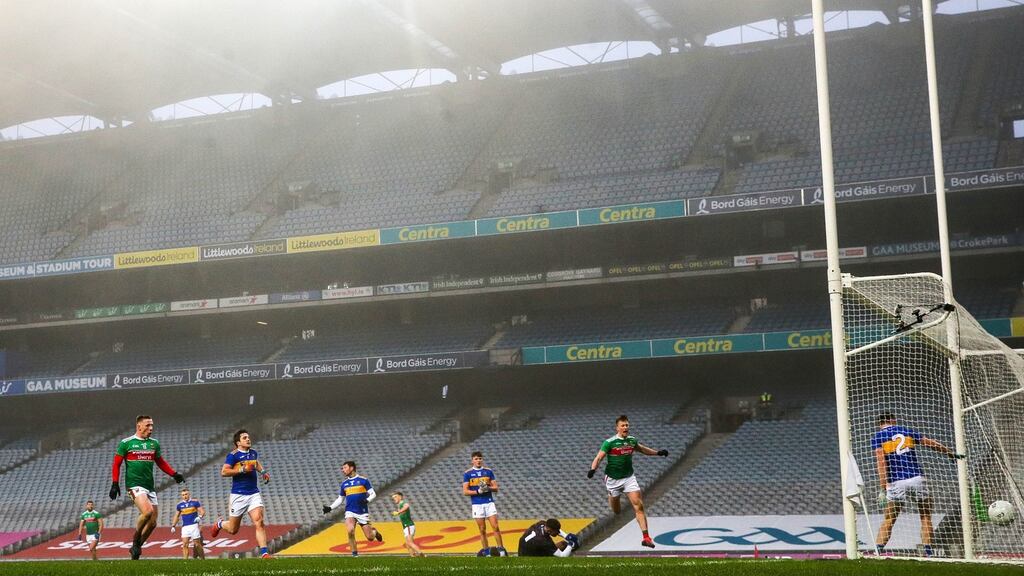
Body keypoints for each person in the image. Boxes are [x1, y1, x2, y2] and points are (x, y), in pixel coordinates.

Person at [872, 413, 963, 556]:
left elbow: (881, 462)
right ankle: (929, 552)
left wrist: (883, 487)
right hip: (916, 479)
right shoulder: (906, 431)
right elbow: (931, 443)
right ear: (892, 420)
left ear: (880, 423)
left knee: (889, 519)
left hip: (896, 482)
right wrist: (950, 453)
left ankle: (877, 551)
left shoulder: (878, 437)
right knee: (925, 517)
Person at [110, 415, 185, 560]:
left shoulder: (154, 444)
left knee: (152, 523)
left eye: (152, 426)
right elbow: (116, 464)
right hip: (134, 485)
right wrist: (115, 483)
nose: (150, 428)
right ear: (139, 426)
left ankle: (136, 548)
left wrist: (173, 474)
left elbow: (160, 462)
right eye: (147, 425)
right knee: (148, 511)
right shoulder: (126, 443)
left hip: (149, 487)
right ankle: (135, 541)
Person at [587, 414, 668, 549]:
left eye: (627, 425)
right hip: (613, 480)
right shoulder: (609, 442)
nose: (626, 427)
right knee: (617, 510)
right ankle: (611, 495)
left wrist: (658, 453)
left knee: (639, 506)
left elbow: (642, 449)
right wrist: (593, 470)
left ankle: (646, 538)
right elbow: (599, 457)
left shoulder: (632, 441)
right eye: (623, 425)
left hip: (629, 478)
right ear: (617, 428)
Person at [209, 429, 272, 558]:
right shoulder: (233, 455)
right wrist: (242, 469)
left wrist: (263, 472)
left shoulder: (253, 453)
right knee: (233, 530)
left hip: (253, 494)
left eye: (248, 437)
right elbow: (224, 472)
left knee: (259, 521)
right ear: (238, 443)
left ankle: (264, 553)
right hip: (238, 495)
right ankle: (220, 524)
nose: (248, 439)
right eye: (244, 438)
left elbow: (256, 463)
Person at [322, 460, 382, 557]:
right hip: (350, 511)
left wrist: (367, 500)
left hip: (362, 512)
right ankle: (354, 555)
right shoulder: (344, 484)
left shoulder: (363, 480)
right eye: (342, 468)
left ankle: (374, 532)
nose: (343, 470)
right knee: (350, 531)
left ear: (352, 468)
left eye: (345, 468)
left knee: (370, 537)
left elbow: (373, 494)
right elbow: (340, 499)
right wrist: (330, 508)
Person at [462, 451, 504, 555]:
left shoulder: (488, 472)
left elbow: (496, 488)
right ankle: (486, 551)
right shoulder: (468, 474)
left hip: (489, 503)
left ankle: (501, 549)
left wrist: (487, 488)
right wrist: (478, 491)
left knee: (495, 527)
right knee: (482, 529)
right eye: (476, 459)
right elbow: (465, 491)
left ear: (482, 460)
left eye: (480, 458)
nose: (478, 460)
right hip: (477, 504)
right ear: (472, 461)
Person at [170, 488, 206, 560]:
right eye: (183, 495)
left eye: (186, 494)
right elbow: (176, 516)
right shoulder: (179, 505)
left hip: (194, 525)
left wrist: (200, 517)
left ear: (189, 494)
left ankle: (203, 559)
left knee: (197, 544)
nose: (185, 496)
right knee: (185, 544)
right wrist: (173, 526)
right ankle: (185, 561)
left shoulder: (195, 502)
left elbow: (202, 511)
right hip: (185, 527)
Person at [391, 492, 424, 557]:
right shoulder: (399, 505)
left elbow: (407, 505)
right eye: (393, 498)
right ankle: (413, 556)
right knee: (408, 544)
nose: (394, 499)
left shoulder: (402, 503)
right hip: (406, 526)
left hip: (408, 525)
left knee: (409, 542)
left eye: (395, 497)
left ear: (400, 497)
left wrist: (398, 512)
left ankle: (421, 554)